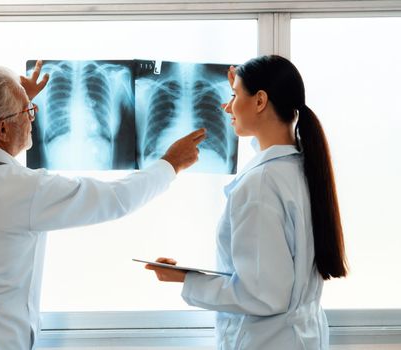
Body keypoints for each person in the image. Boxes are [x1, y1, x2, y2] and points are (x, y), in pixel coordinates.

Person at [0, 60, 206, 350]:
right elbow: (117, 198)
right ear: (2, 130)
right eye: (28, 110)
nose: (32, 117)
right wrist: (170, 163)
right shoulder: (23, 190)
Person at [145, 55, 348, 350]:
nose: (226, 106)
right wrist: (244, 97)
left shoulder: (262, 183)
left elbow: (265, 294)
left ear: (261, 101)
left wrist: (186, 280)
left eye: (233, 96)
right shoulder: (299, 168)